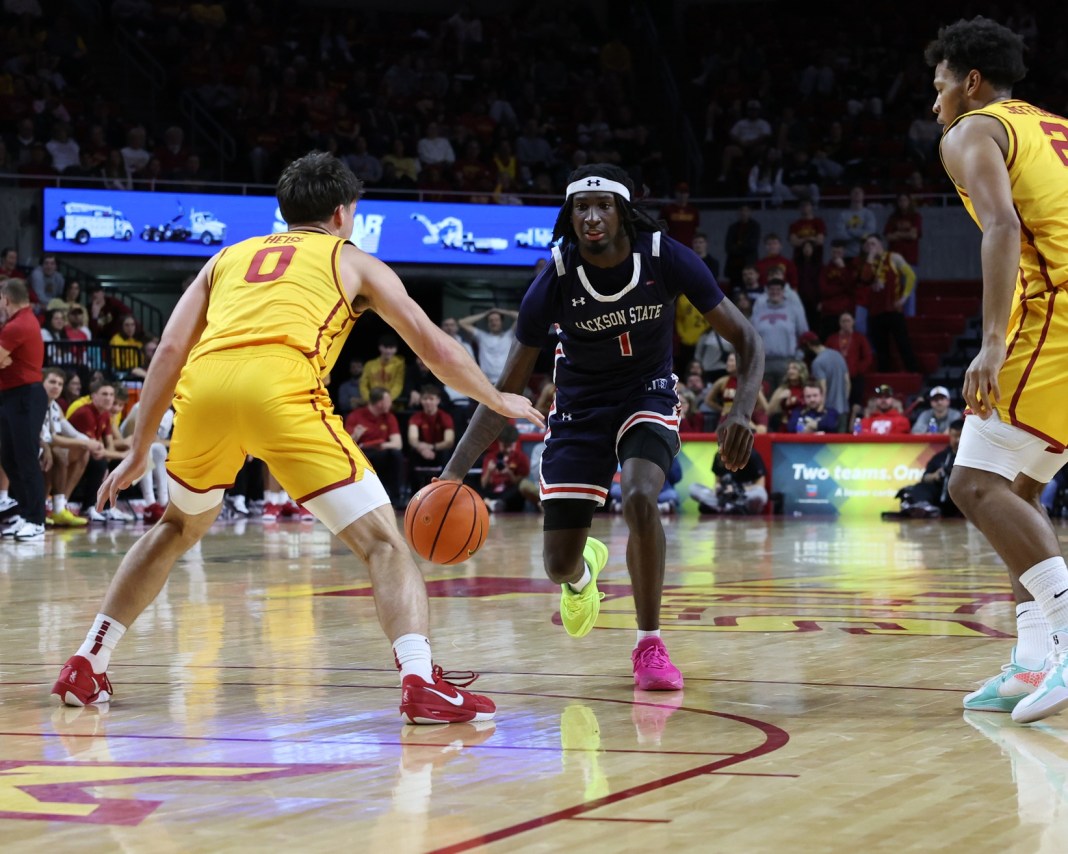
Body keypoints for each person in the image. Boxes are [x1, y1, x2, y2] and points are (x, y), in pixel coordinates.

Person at [50, 151, 543, 724]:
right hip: (280, 391)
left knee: (176, 527)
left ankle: (87, 661)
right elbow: (432, 346)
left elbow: (170, 350)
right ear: (341, 213)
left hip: (204, 393)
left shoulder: (225, 258)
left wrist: (139, 450)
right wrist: (497, 398)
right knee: (384, 544)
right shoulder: (354, 260)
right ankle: (419, 680)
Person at [440, 163, 764, 691]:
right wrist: (452, 473)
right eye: (581, 208)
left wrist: (741, 411)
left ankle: (649, 644)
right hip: (579, 407)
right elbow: (503, 393)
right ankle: (583, 575)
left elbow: (747, 339)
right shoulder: (554, 278)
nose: (591, 217)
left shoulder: (665, 256)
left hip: (647, 392)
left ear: (624, 212)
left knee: (639, 496)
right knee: (558, 564)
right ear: (569, 217)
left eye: (603, 206)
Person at [927, 17, 1068, 723]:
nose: (936, 103)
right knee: (1017, 490)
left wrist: (989, 342)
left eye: (940, 85)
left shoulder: (972, 130)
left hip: (1055, 315)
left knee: (973, 484)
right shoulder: (1053, 126)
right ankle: (1034, 658)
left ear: (971, 81)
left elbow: (1004, 226)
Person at [0, 278, 48, 541]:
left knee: (26, 458)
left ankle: (36, 520)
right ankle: (26, 512)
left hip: (25, 395)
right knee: (9, 457)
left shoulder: (17, 325)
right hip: (12, 395)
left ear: (6, 299)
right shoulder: (21, 321)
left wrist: (4, 359)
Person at [855, 233, 920, 372]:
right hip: (874, 311)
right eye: (867, 245)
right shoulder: (866, 262)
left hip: (893, 309)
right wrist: (870, 257)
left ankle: (914, 373)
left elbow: (911, 276)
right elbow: (865, 279)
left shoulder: (893, 257)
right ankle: (884, 377)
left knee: (903, 343)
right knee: (881, 348)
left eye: (873, 243)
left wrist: (904, 298)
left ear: (880, 244)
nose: (870, 247)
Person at [895, 418, 964, 519]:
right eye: (955, 436)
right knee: (920, 487)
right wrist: (934, 476)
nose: (957, 440)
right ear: (949, 435)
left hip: (960, 497)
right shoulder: (940, 457)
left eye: (961, 436)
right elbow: (925, 477)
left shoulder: (971, 458)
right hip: (940, 496)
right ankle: (922, 506)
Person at [689, 449, 768, 515]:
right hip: (724, 497)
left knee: (761, 494)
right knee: (693, 488)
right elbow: (717, 483)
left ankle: (723, 508)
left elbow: (760, 486)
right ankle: (729, 508)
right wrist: (719, 489)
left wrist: (736, 489)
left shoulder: (752, 455)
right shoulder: (719, 456)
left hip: (743, 495)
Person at [406, 385, 454, 491]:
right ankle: (413, 493)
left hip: (438, 452)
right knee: (411, 453)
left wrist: (432, 447)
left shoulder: (445, 417)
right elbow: (412, 439)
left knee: (447, 453)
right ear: (421, 401)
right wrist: (422, 449)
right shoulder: (416, 417)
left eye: (431, 399)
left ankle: (445, 489)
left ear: (438, 400)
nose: (428, 402)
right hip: (421, 452)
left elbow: (449, 441)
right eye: (425, 399)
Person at [800, 330, 850, 431]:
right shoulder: (838, 355)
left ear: (808, 345)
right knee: (841, 440)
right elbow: (847, 382)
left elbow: (822, 387)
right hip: (843, 409)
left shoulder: (817, 362)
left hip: (828, 411)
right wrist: (844, 401)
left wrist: (821, 406)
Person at [457, 307, 518, 385]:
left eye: (496, 320)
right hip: (487, 381)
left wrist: (501, 311)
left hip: (506, 380)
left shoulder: (509, 335)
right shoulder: (481, 336)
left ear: (501, 322)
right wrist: (486, 313)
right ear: (488, 324)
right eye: (491, 320)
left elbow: (520, 316)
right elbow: (462, 322)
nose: (494, 323)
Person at [478, 423, 530, 513]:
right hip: (493, 493)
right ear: (500, 443)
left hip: (509, 494)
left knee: (518, 490)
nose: (507, 449)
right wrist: (489, 472)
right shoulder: (490, 457)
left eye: (510, 446)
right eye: (505, 446)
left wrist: (509, 473)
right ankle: (492, 503)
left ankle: (493, 504)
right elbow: (483, 484)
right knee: (472, 486)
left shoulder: (521, 457)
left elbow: (520, 483)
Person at [835, 186, 877, 259]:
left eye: (859, 192)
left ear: (863, 196)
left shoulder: (869, 214)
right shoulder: (842, 215)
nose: (857, 193)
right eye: (854, 192)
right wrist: (861, 234)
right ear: (850, 196)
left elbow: (870, 233)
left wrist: (850, 231)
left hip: (865, 254)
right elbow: (840, 235)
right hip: (847, 255)